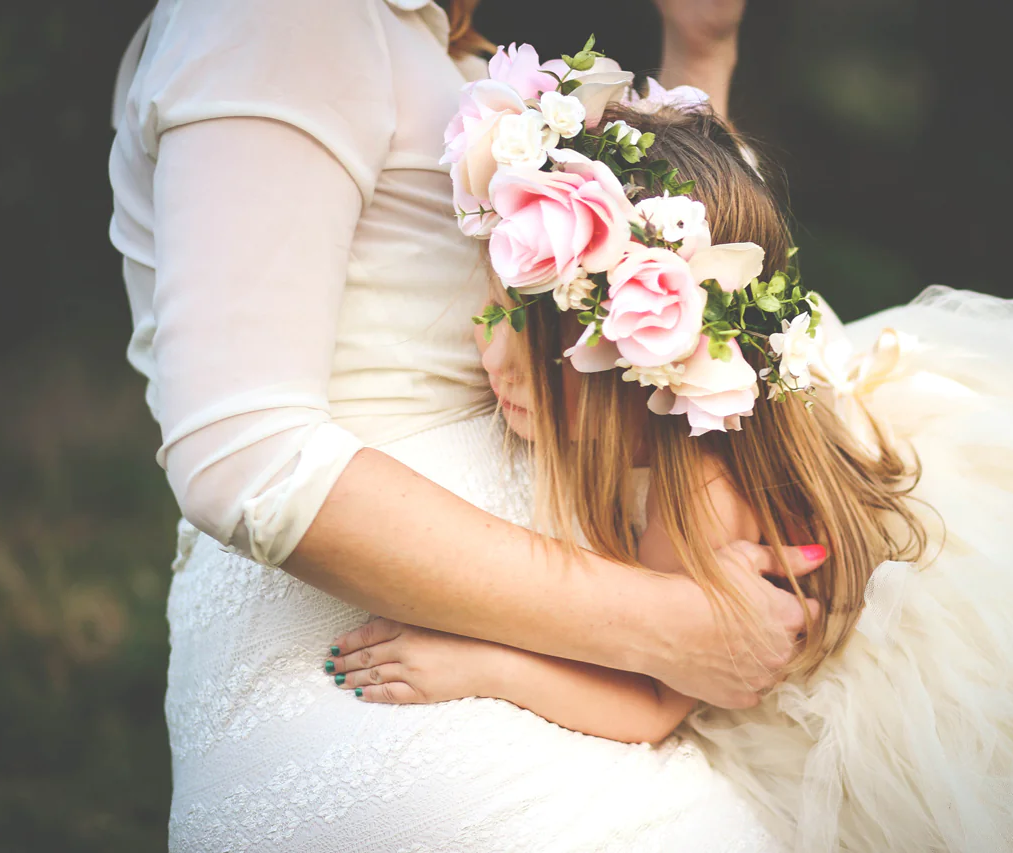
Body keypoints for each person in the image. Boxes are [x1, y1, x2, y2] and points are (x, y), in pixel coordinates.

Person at [332, 90, 1013, 852]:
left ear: (629, 362)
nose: (486, 362)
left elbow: (653, 704)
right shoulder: (683, 423)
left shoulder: (700, 499)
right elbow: (712, 183)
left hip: (888, 705)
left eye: (520, 341)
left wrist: (482, 663)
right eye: (489, 316)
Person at [108, 1, 820, 850]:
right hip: (373, 678)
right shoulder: (282, 19)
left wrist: (701, 52)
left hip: (555, 668)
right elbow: (247, 459)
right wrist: (672, 623)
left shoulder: (435, 48)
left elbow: (688, 242)